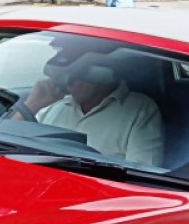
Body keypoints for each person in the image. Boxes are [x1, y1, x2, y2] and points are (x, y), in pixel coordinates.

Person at [12, 47, 164, 166]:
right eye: (65, 76)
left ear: (104, 74)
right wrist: (32, 105)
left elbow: (142, 173)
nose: (70, 84)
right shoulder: (53, 104)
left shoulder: (140, 110)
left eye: (79, 75)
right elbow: (9, 143)